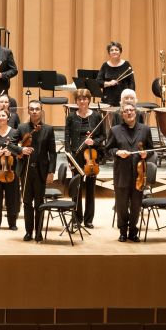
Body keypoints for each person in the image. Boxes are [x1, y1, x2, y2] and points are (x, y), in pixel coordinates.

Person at [106, 103, 154, 242]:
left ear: (135, 112)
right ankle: (122, 231)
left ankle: (133, 231)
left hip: (139, 174)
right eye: (126, 111)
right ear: (122, 114)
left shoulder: (145, 129)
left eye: (131, 110)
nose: (129, 113)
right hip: (122, 173)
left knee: (136, 205)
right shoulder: (115, 130)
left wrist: (146, 154)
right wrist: (117, 152)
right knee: (121, 204)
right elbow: (108, 150)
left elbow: (151, 149)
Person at [66, 88, 105, 229]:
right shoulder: (71, 117)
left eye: (85, 99)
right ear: (76, 101)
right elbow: (67, 138)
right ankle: (77, 218)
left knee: (90, 188)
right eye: (79, 99)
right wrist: (69, 156)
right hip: (76, 156)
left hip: (91, 156)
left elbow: (103, 136)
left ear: (89, 100)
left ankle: (88, 219)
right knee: (77, 187)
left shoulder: (97, 116)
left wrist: (94, 141)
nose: (82, 101)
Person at [17, 101, 56, 242]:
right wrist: (21, 149)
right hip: (26, 170)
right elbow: (11, 145)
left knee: (39, 203)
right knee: (27, 203)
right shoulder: (21, 128)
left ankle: (38, 232)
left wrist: (51, 171)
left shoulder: (48, 129)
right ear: (28, 111)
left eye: (37, 109)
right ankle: (28, 232)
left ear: (41, 111)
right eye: (32, 109)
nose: (34, 111)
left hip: (41, 171)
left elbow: (52, 153)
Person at [96, 41, 134, 107]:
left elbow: (132, 84)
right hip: (107, 99)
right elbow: (98, 82)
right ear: (109, 53)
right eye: (112, 50)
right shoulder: (105, 65)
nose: (114, 52)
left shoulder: (126, 65)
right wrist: (109, 83)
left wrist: (129, 98)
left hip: (123, 99)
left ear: (120, 52)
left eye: (116, 50)